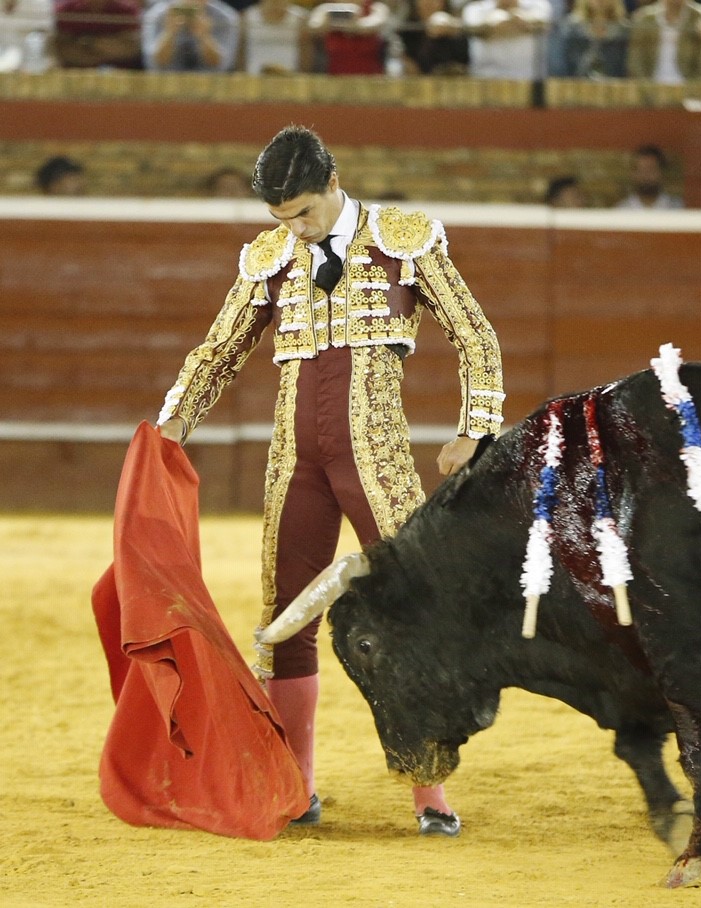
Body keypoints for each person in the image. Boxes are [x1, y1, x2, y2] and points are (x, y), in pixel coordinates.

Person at [155, 125, 504, 837]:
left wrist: (475, 427)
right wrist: (167, 428)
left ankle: (428, 790)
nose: (296, 231)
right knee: (286, 616)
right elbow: (218, 352)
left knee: (411, 614)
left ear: (334, 182)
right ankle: (296, 786)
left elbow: (475, 333)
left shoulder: (403, 238)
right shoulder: (269, 256)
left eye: (305, 214)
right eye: (282, 220)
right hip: (296, 464)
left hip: (374, 459)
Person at [625, 0, 701, 82]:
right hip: (651, 89)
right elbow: (635, 61)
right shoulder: (645, 18)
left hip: (690, 89)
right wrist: (646, 88)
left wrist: (697, 90)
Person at [460, 0, 552, 79]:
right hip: (484, 80)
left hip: (528, 80)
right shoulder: (475, 9)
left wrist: (517, 19)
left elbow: (543, 23)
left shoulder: (539, 5)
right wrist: (492, 25)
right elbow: (471, 29)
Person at [142, 0, 239, 71]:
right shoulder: (157, 15)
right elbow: (153, 64)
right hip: (164, 87)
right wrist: (169, 33)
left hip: (210, 89)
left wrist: (204, 37)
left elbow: (222, 66)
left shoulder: (225, 18)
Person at [308, 0, 392, 74]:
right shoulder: (325, 9)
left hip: (371, 80)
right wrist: (327, 20)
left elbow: (375, 23)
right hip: (335, 79)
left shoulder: (376, 8)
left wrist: (351, 24)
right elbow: (312, 27)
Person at [52, 0, 142, 68]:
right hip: (75, 78)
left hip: (120, 78)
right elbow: (63, 49)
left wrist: (89, 43)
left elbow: (130, 48)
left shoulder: (127, 10)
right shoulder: (66, 10)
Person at [396, 0, 468, 75]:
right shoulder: (407, 31)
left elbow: (462, 66)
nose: (428, 3)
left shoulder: (456, 32)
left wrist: (453, 32)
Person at [237, 0, 309, 73]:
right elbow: (240, 52)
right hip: (253, 77)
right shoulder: (246, 17)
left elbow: (306, 52)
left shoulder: (301, 19)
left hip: (290, 76)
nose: (275, 2)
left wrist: (302, 76)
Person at [563, 0, 628, 77]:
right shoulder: (571, 28)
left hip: (615, 83)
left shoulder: (624, 31)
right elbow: (565, 65)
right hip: (576, 82)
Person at [615, 145, 683, 209]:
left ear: (661, 174)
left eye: (651, 169)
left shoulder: (677, 208)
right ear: (633, 175)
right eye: (640, 170)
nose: (645, 175)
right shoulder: (622, 210)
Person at [0, 0, 54, 73]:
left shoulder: (39, 3)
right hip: (4, 53)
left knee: (35, 39)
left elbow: (46, 33)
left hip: (29, 58)